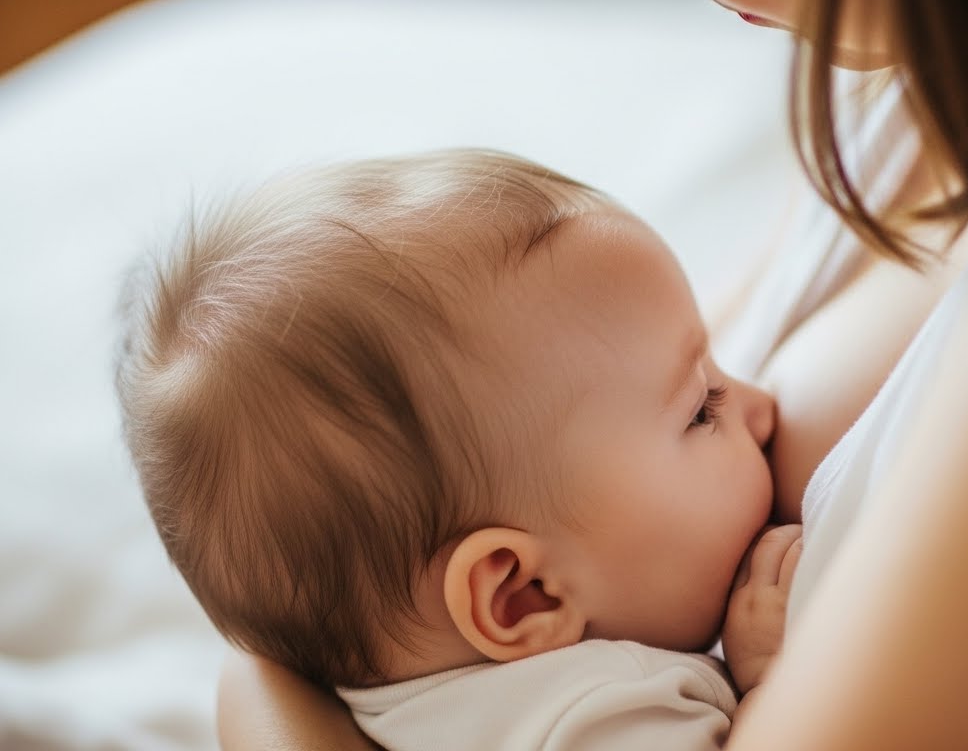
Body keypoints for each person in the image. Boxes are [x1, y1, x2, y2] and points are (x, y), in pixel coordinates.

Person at [221, 0, 968, 748]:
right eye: (707, 406)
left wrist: (274, 688)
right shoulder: (942, 61)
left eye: (712, 398)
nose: (749, 402)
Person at [117, 149, 802, 750]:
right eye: (702, 410)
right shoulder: (599, 715)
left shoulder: (391, 704)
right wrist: (775, 686)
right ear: (520, 597)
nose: (762, 410)